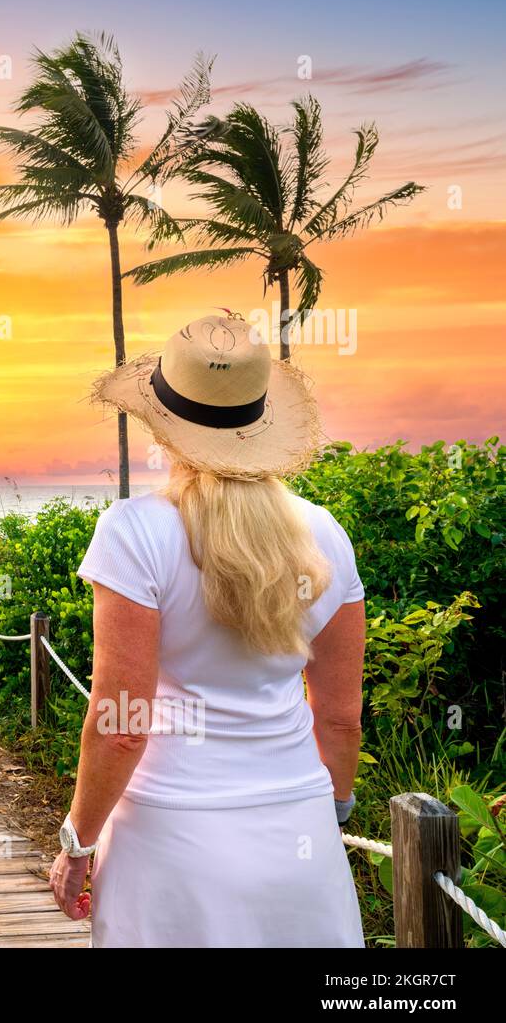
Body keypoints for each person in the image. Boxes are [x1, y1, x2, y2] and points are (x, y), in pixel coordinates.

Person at [47, 312, 366, 947]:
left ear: (160, 424)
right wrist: (327, 815)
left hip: (169, 839)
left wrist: (77, 841)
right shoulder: (325, 534)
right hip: (298, 832)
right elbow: (339, 718)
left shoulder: (134, 532)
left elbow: (121, 724)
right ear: (262, 423)